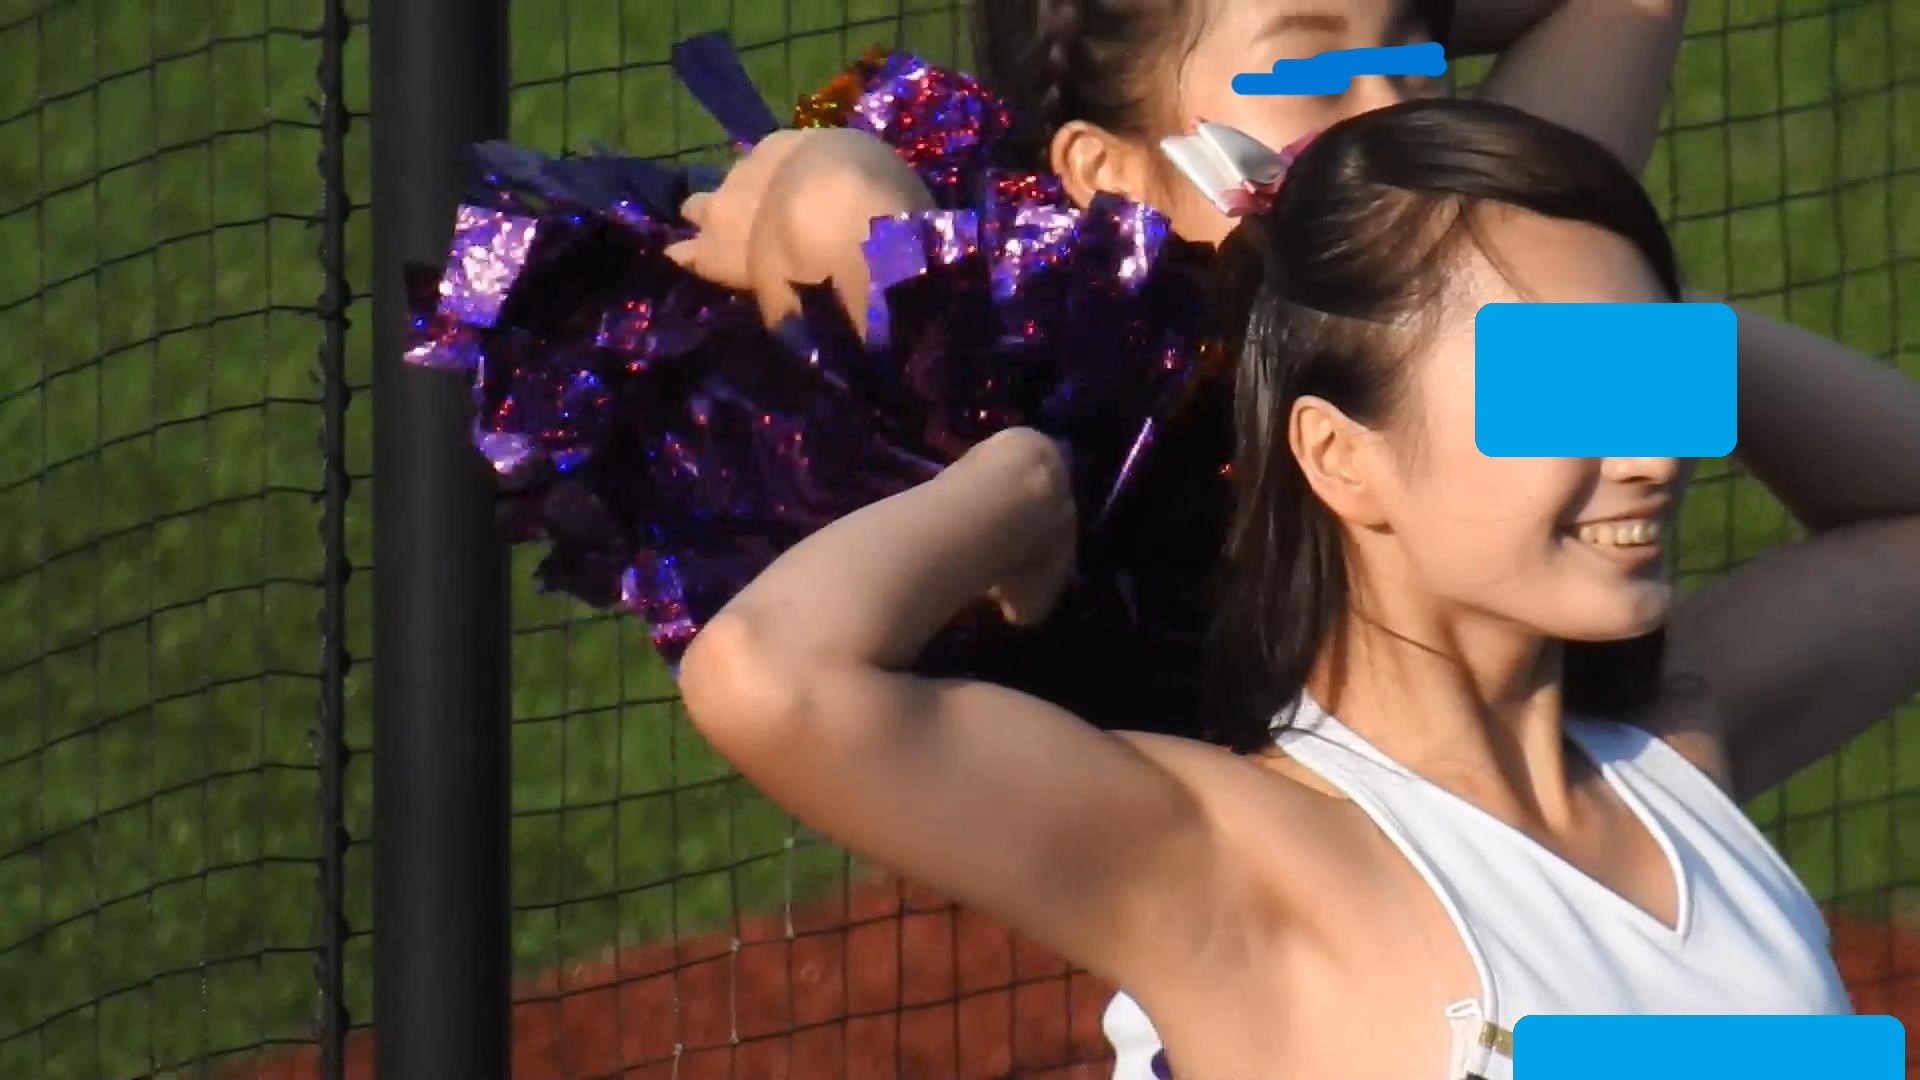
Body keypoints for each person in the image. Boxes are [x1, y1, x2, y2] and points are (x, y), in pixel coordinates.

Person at [676, 96, 1920, 1080]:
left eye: (1651, 385)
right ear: (1340, 456)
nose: (1652, 452)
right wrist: (1017, 482)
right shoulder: (1237, 866)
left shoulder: (1673, 766)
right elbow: (767, 676)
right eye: (1566, 392)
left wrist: (1651, 331)